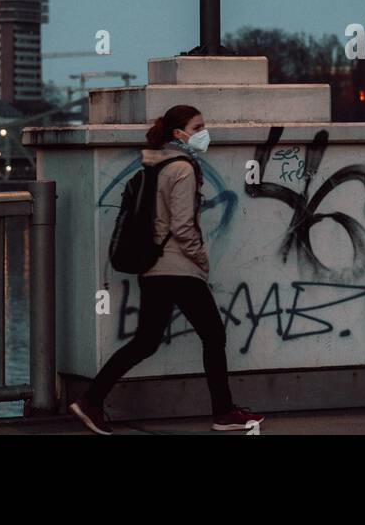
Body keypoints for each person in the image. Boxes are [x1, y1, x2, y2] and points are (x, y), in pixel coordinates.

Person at [69, 103, 265, 434]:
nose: (205, 132)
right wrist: (202, 260)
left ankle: (91, 400)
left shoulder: (154, 164)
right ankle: (224, 413)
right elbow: (183, 226)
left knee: (146, 341)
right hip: (177, 266)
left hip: (153, 266)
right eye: (198, 126)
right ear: (180, 133)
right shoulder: (183, 168)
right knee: (213, 335)